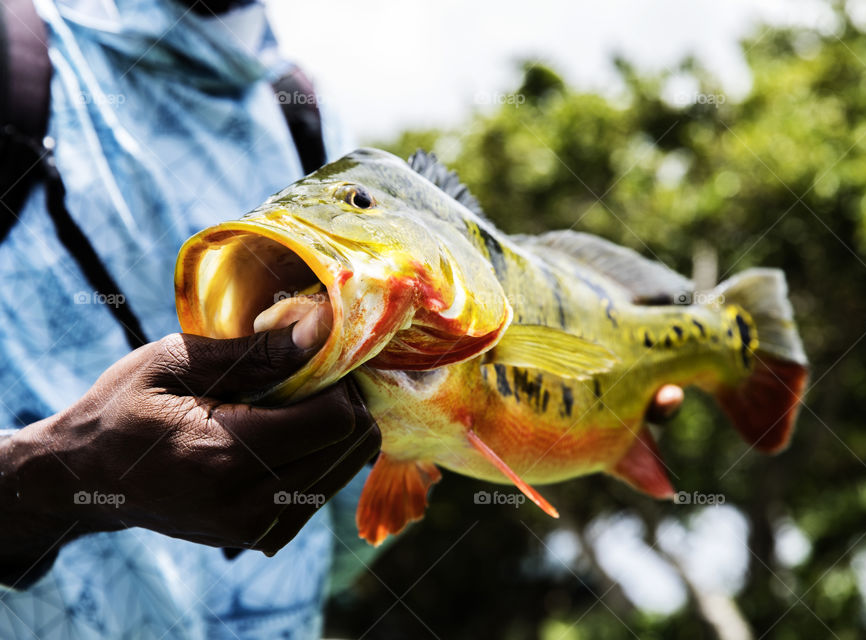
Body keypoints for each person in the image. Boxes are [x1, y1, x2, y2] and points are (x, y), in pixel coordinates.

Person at [0, 0, 683, 638]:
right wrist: (59, 475)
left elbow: (333, 544)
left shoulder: (307, 123)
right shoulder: (16, 60)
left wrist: (421, 438)